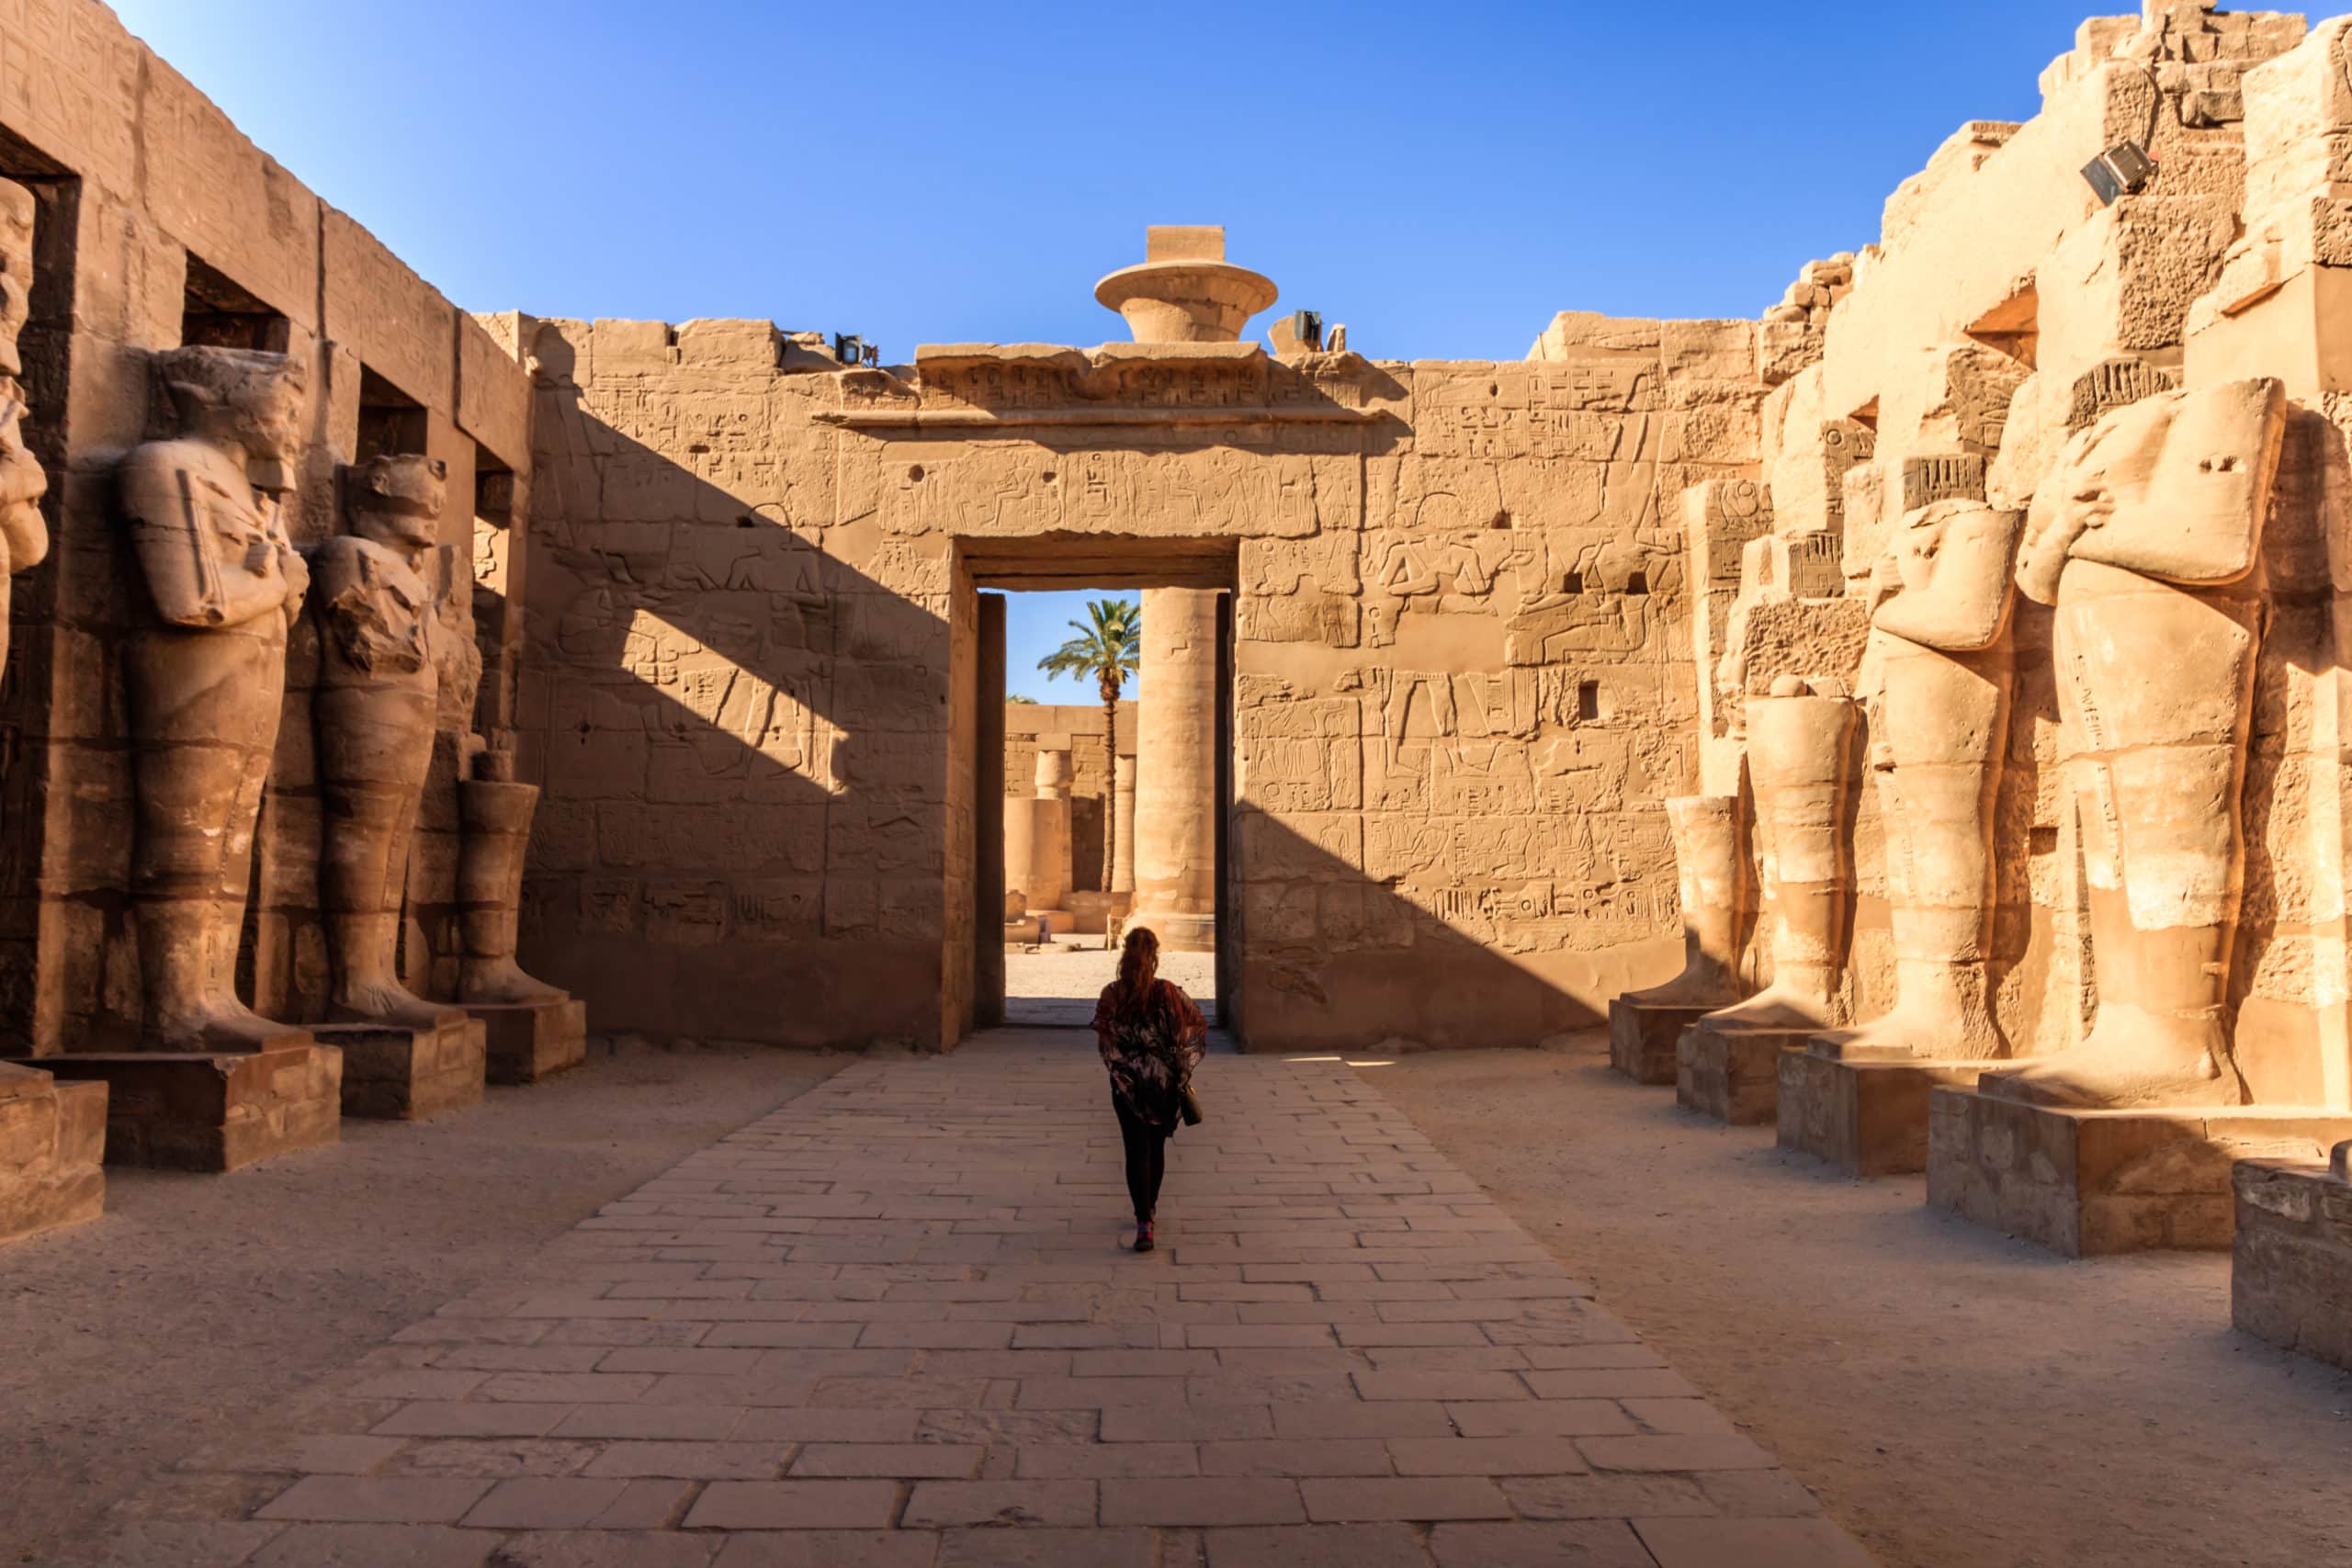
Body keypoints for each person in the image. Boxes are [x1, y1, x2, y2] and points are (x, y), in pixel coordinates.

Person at [1091, 926, 1206, 1253]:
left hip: (1128, 1084)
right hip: (1163, 1082)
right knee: (1156, 1148)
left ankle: (1143, 1219)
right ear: (1154, 956)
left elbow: (1104, 1039)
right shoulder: (1169, 992)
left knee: (1134, 1149)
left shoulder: (1112, 994)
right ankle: (1150, 1207)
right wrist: (1178, 1061)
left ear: (1125, 954)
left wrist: (1122, 1067)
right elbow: (1197, 1023)